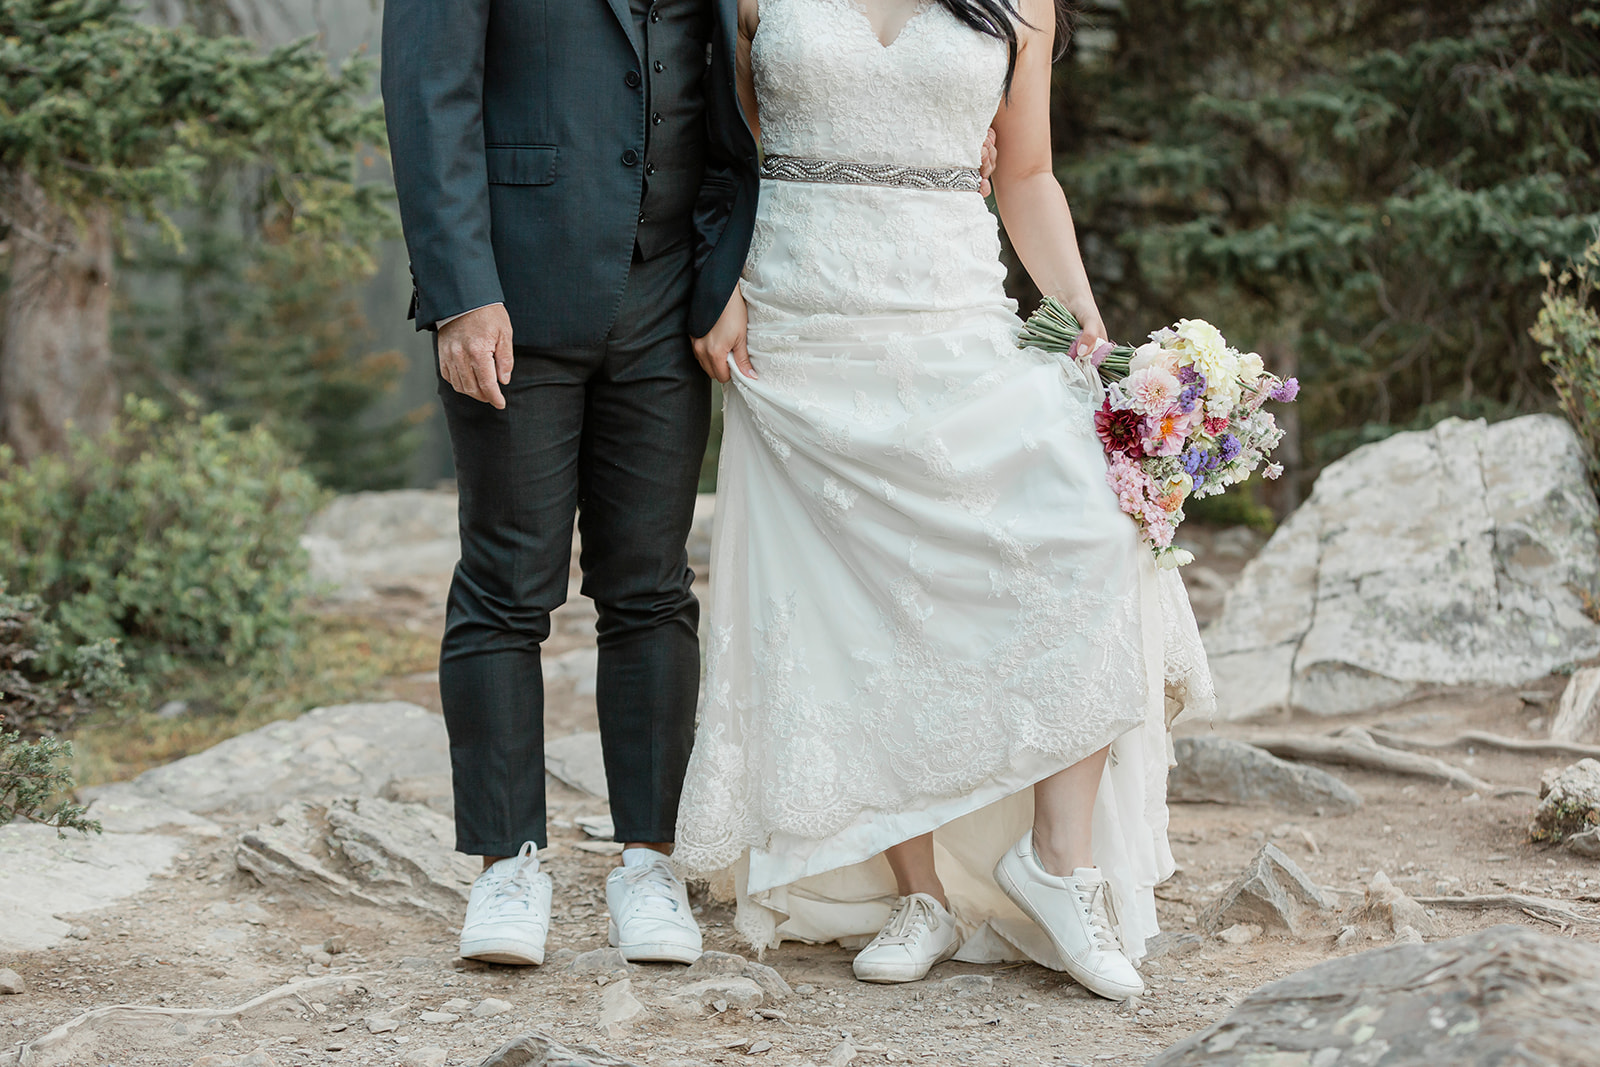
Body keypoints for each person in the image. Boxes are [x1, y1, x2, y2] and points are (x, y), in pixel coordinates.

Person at [673, 0, 1215, 1000]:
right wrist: (718, 281)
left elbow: (1025, 172)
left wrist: (1100, 350)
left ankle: (1059, 865)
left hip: (957, 318)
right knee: (853, 612)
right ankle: (914, 890)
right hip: (798, 334)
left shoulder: (1021, 4)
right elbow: (722, 151)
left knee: (1097, 534)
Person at [378, 0, 761, 967]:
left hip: (670, 297)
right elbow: (430, 96)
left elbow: (729, 98)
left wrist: (724, 275)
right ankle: (507, 865)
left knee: (653, 587)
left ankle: (650, 863)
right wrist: (462, 291)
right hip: (513, 290)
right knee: (506, 587)